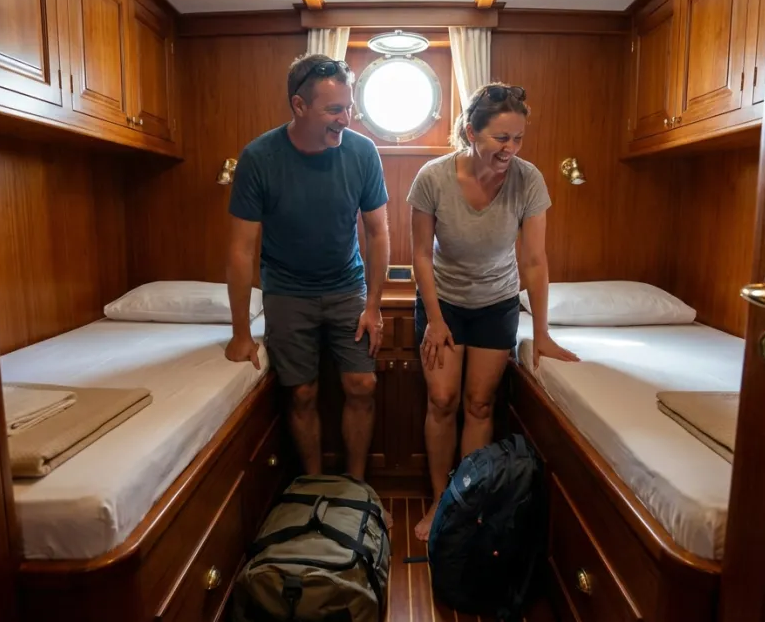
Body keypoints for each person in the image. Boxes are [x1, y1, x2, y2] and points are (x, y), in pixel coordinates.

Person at [408, 82, 579, 541]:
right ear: (471, 132)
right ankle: (439, 502)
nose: (511, 148)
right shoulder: (433, 177)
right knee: (442, 400)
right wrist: (435, 320)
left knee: (479, 404)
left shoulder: (529, 179)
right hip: (443, 302)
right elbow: (420, 255)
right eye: (501, 138)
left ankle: (465, 505)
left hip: (497, 302)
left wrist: (542, 333)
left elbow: (535, 261)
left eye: (518, 138)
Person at [224, 54, 390, 488]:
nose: (346, 120)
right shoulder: (259, 157)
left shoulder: (362, 152)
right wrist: (240, 332)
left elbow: (377, 232)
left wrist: (373, 306)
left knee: (362, 385)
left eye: (349, 108)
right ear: (299, 106)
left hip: (346, 286)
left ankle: (356, 489)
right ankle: (313, 489)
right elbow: (241, 250)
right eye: (334, 110)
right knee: (301, 393)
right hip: (287, 290)